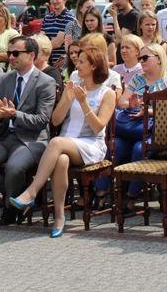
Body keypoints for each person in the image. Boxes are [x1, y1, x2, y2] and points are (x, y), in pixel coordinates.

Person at [10, 45, 116, 236]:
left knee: (56, 142)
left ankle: (32, 191)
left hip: (91, 144)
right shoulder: (74, 86)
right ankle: (59, 216)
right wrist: (67, 99)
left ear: (93, 66)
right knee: (61, 160)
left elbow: (98, 127)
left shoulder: (107, 93)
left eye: (82, 61)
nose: (77, 63)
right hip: (66, 143)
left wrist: (84, 103)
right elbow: (56, 120)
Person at [0, 36, 56, 226]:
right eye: (9, 53)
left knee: (14, 168)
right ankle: (20, 192)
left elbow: (41, 121)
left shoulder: (45, 82)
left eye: (16, 53)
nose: (11, 57)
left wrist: (14, 114)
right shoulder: (3, 80)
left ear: (31, 55)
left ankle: (10, 207)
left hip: (31, 140)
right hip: (4, 137)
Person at [115, 43, 167, 212]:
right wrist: (131, 104)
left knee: (140, 148)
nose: (141, 62)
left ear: (159, 59)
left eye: (145, 58)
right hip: (134, 127)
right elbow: (122, 101)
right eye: (140, 58)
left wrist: (149, 111)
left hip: (158, 131)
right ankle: (102, 192)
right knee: (115, 145)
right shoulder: (138, 78)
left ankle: (131, 196)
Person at [42, 0, 77, 68]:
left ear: (65, 0)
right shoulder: (47, 18)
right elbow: (41, 38)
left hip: (62, 65)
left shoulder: (70, 18)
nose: (54, 1)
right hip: (47, 64)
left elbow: (57, 43)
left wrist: (43, 46)